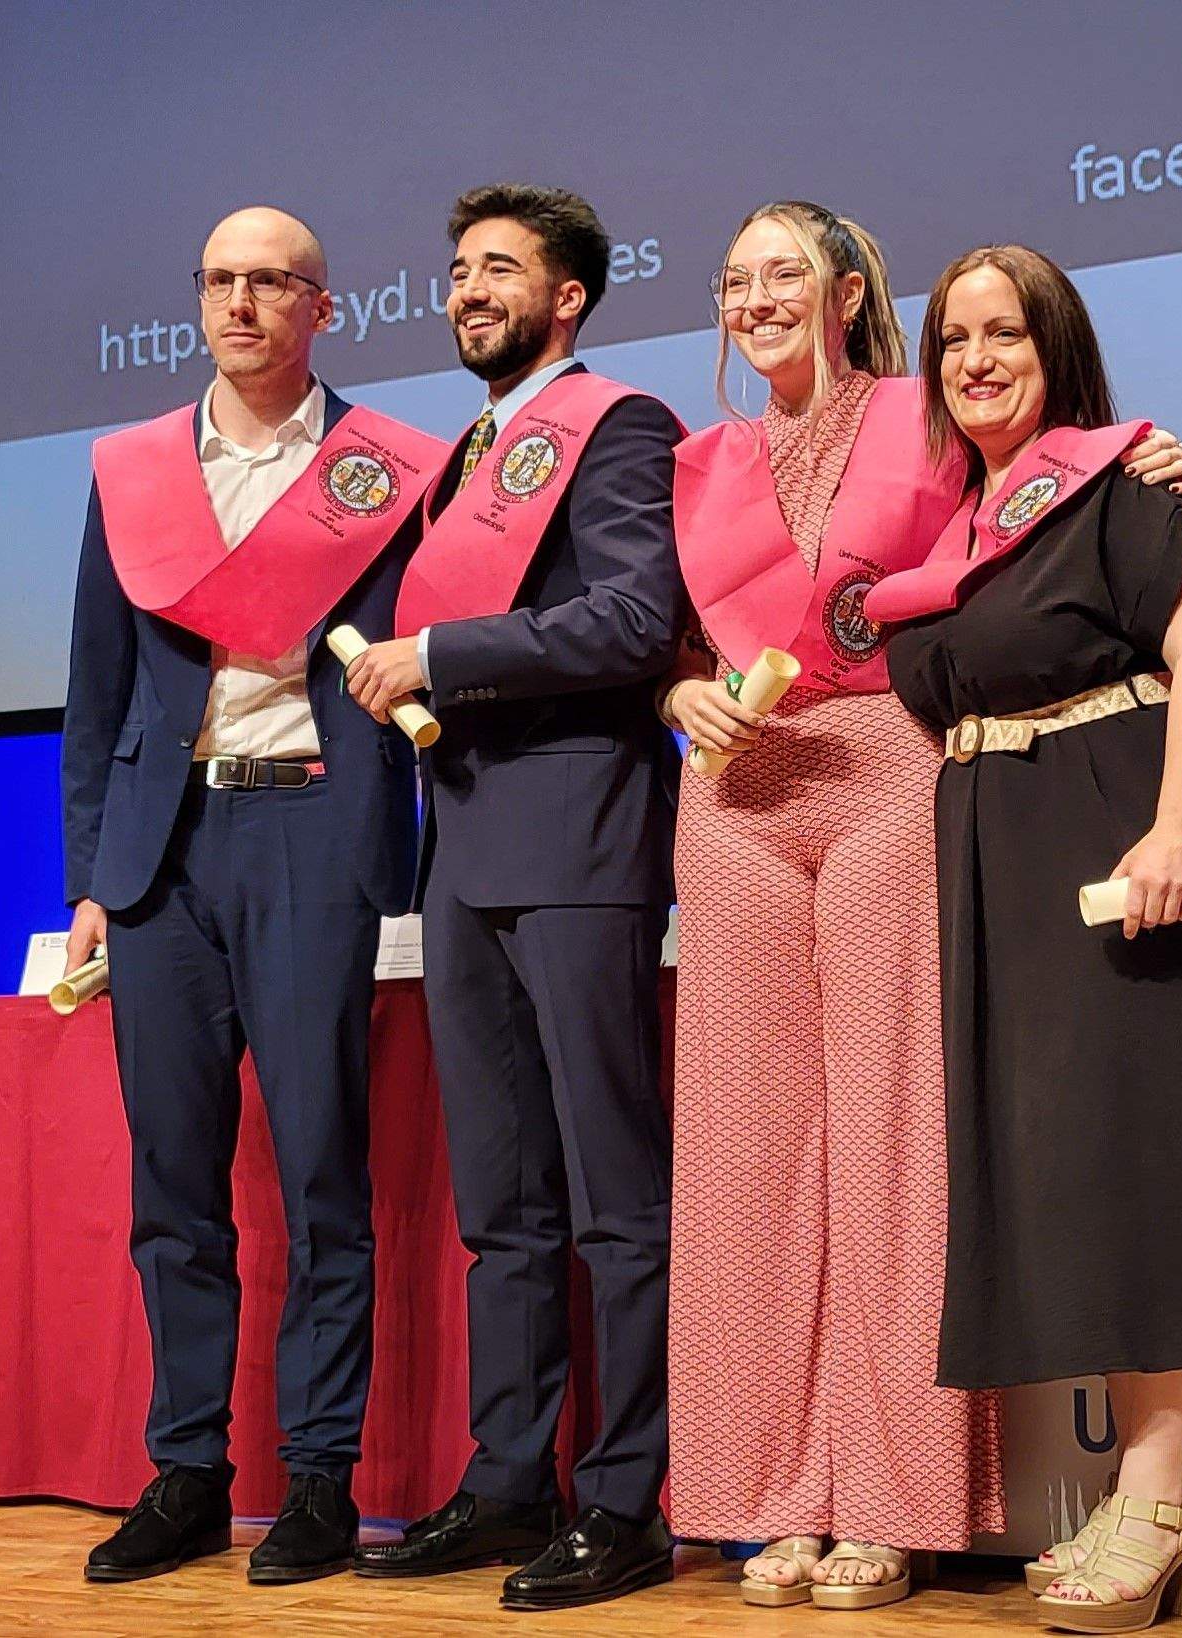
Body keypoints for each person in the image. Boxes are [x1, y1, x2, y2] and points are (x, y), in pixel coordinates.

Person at [662, 203, 1182, 1611]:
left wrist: (1143, 455)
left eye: (782, 273)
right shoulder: (696, 456)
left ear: (848, 288)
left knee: (895, 1142)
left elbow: (1047, 476)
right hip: (733, 797)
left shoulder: (926, 409)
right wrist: (671, 688)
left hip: (893, 774)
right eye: (732, 281)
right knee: (749, 1153)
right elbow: (664, 630)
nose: (754, 298)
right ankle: (767, 1489)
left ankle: (894, 1498)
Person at [871, 244, 1182, 1634]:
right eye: (954, 340)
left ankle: (1162, 1492)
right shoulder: (956, 538)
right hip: (1001, 857)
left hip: (1123, 836)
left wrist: (1173, 832)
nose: (976, 359)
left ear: (1057, 352)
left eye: (1006, 335)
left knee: (1149, 1151)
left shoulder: (1117, 482)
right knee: (1064, 1164)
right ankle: (1133, 1489)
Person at [60, 206, 449, 1586]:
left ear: (319, 306)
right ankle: (186, 1471)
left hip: (310, 836)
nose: (239, 304)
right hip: (161, 859)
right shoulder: (131, 471)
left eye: (268, 282)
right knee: (176, 1187)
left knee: (321, 1175)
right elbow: (95, 690)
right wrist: (91, 879)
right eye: (219, 281)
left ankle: (323, 1480)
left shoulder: (385, 469)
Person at [340, 183, 684, 1613]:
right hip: (465, 846)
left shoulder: (617, 426)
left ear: (569, 300)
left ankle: (625, 1498)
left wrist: (436, 654)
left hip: (581, 838)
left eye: (499, 269)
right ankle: (506, 1479)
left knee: (614, 1199)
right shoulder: (461, 458)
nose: (468, 289)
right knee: (506, 1208)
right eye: (457, 269)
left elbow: (634, 617)